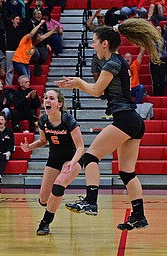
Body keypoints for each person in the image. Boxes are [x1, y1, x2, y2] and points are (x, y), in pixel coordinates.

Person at [55, 19, 163, 230]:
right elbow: (101, 91)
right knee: (127, 173)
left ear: (105, 43)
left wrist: (78, 83)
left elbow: (96, 91)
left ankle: (91, 201)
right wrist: (80, 83)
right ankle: (139, 216)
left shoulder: (113, 62)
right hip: (131, 119)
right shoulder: (113, 62)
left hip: (125, 118)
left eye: (95, 41)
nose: (92, 45)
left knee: (90, 156)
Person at [20, 89, 84, 235]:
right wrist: (29, 147)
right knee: (43, 200)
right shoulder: (43, 121)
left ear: (59, 104)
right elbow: (43, 141)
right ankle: (52, 205)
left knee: (58, 186)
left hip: (73, 158)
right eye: (46, 98)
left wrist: (72, 163)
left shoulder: (68, 120)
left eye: (52, 98)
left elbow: (81, 147)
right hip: (54, 159)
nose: (47, 101)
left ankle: (45, 223)